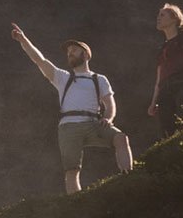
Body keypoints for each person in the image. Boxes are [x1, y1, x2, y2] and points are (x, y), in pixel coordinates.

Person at [10, 24, 134, 194]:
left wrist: (108, 118)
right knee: (72, 170)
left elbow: (110, 103)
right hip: (69, 126)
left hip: (94, 123)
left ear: (85, 54)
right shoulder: (63, 77)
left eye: (74, 50)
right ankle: (76, 203)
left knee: (120, 138)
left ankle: (130, 178)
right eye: (68, 52)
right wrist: (23, 40)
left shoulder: (99, 79)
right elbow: (39, 60)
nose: (70, 53)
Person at [147, 3, 183, 139]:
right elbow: (159, 79)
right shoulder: (163, 48)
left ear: (174, 19)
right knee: (167, 131)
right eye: (158, 15)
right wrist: (153, 102)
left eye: (162, 15)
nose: (158, 18)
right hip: (165, 90)